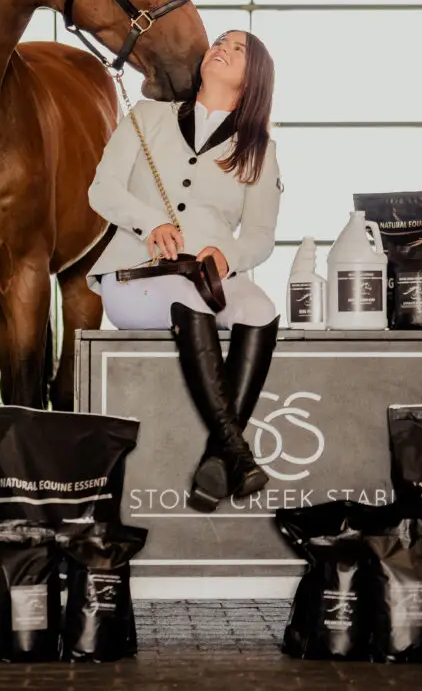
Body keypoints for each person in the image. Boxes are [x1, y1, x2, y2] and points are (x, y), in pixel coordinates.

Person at [86, 30, 282, 512]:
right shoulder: (148, 116)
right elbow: (101, 190)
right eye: (221, 41)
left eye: (239, 49)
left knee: (259, 308)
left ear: (253, 76)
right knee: (187, 297)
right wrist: (148, 220)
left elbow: (260, 235)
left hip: (208, 279)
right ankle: (236, 450)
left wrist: (229, 256)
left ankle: (216, 461)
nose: (222, 48)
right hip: (135, 278)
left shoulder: (259, 149)